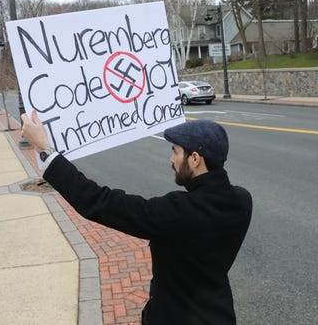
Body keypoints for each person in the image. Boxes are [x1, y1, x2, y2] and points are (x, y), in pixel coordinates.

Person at [21, 111, 253, 325]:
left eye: (175, 151)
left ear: (195, 159)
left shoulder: (178, 211)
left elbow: (100, 202)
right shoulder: (242, 201)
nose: (171, 160)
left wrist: (45, 150)